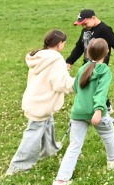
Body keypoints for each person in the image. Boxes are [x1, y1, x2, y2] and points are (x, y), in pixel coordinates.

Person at [52, 37, 114, 185]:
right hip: (96, 112)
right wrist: (98, 111)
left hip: (78, 112)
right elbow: (101, 93)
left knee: (74, 145)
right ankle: (113, 159)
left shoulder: (83, 68)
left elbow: (76, 88)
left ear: (88, 53)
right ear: (107, 52)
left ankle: (60, 180)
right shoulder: (105, 71)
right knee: (108, 133)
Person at [5, 29, 73, 176]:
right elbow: (61, 84)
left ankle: (49, 149)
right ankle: (18, 165)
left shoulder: (39, 56)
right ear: (59, 43)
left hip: (34, 99)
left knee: (47, 123)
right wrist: (79, 82)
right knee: (33, 132)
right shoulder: (56, 59)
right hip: (42, 101)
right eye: (64, 43)